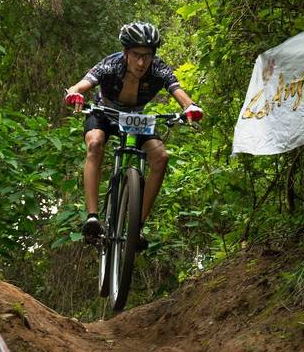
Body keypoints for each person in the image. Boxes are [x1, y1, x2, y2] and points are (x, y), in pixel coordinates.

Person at [65, 21, 203, 248]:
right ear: (125, 53)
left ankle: (135, 228)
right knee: (95, 144)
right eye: (136, 55)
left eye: (147, 56)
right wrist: (75, 94)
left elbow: (180, 93)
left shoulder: (158, 68)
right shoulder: (110, 65)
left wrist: (190, 108)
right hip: (104, 113)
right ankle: (92, 217)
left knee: (161, 157)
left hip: (136, 119)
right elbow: (80, 85)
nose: (141, 62)